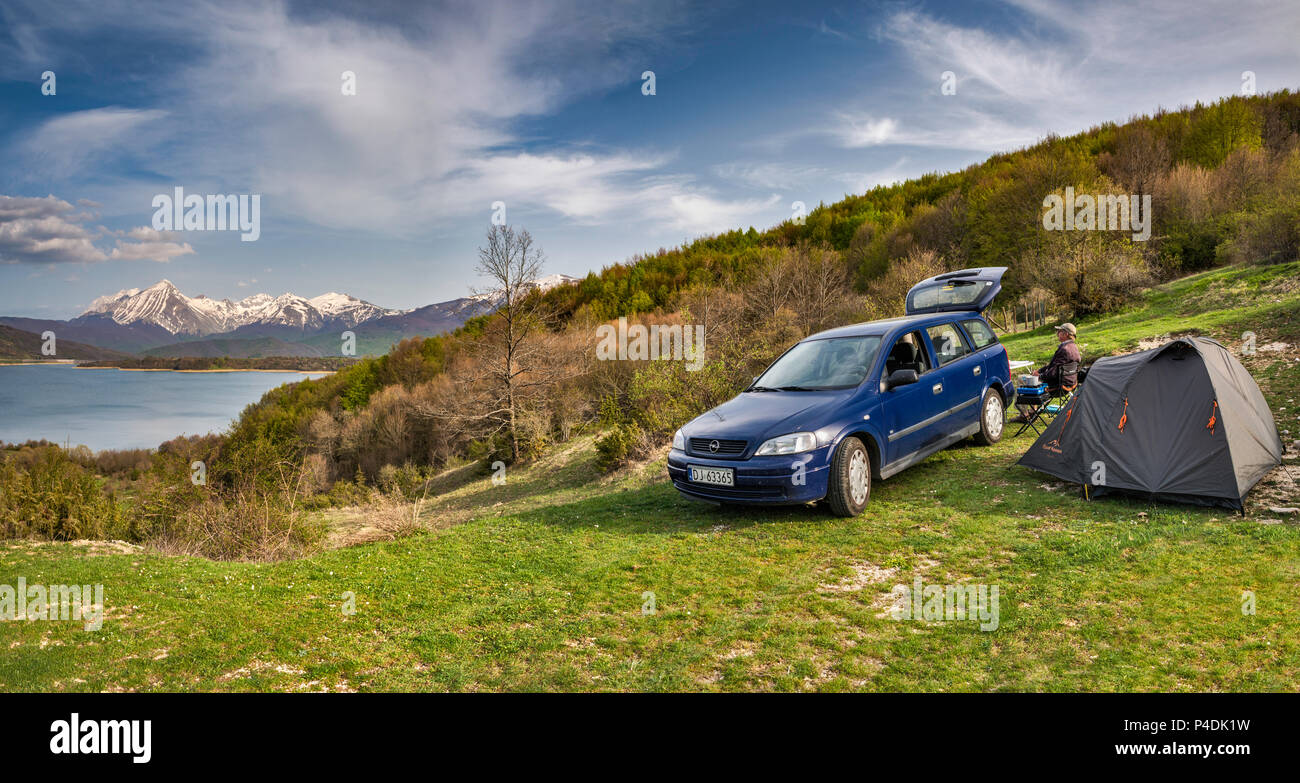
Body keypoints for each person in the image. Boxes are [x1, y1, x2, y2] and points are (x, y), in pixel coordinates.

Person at [1014, 323, 1081, 421]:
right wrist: (1039, 371)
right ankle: (1033, 411)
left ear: (1066, 334)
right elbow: (1053, 366)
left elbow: (1052, 373)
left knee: (1022, 379)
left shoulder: (1064, 349)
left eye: (1059, 331)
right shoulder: (1074, 348)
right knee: (1033, 380)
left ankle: (1024, 415)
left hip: (1058, 385)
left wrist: (1039, 376)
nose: (1057, 333)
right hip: (1070, 384)